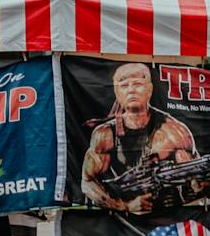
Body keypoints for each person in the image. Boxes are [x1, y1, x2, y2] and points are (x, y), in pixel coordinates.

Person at [82, 61, 198, 214]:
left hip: (168, 217)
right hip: (121, 221)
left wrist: (199, 186)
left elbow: (196, 179)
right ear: (117, 94)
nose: (131, 91)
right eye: (124, 86)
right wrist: (124, 206)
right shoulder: (105, 134)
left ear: (149, 89)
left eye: (137, 84)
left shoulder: (174, 131)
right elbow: (87, 182)